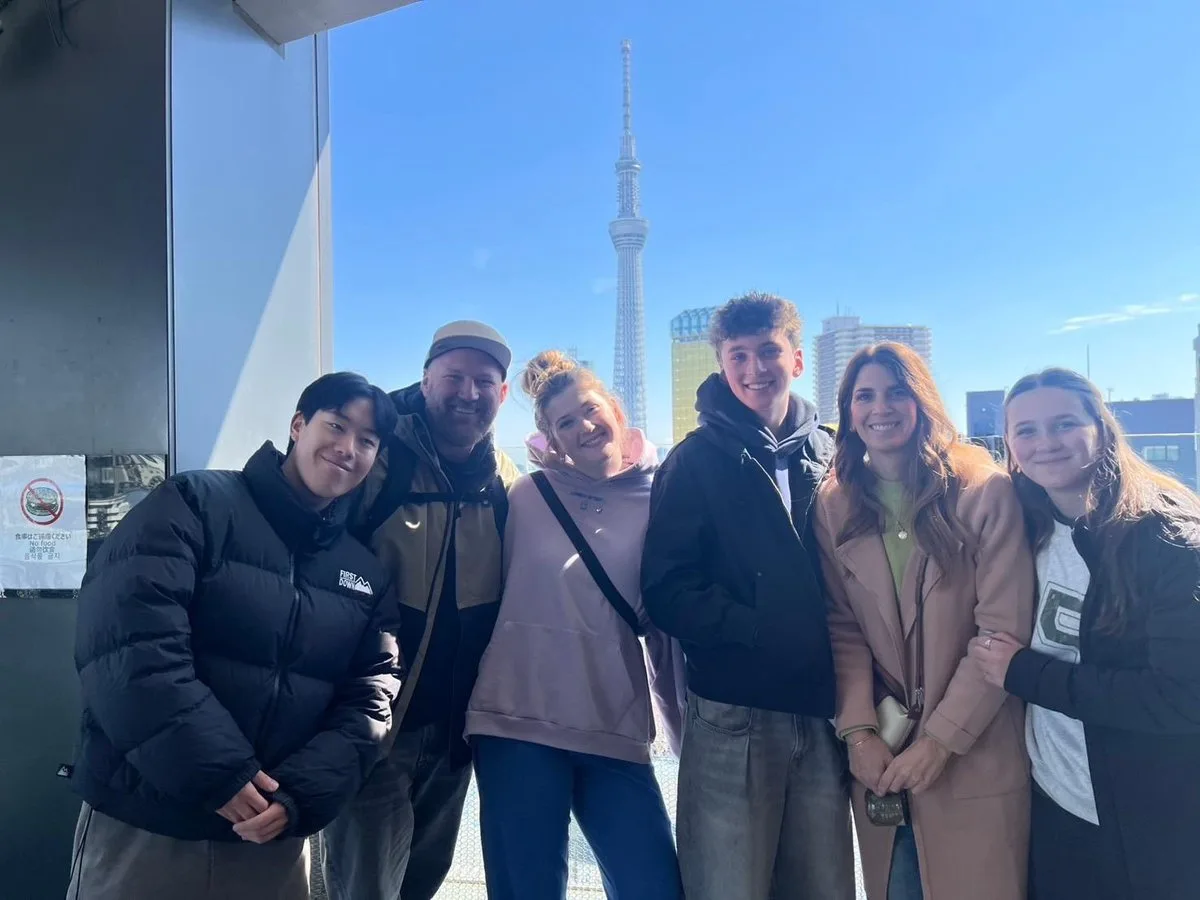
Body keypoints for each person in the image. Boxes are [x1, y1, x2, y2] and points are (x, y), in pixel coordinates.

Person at [66, 372, 403, 900]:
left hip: (267, 840)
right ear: (298, 425)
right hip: (149, 822)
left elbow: (370, 700)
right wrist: (218, 774)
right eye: (336, 425)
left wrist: (297, 797)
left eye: (367, 441)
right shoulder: (194, 503)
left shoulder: (365, 573)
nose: (348, 448)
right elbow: (130, 647)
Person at [641, 292, 855, 899]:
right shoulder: (694, 462)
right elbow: (666, 591)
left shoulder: (834, 454)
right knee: (725, 882)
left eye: (768, 351)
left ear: (797, 359)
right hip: (733, 710)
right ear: (722, 363)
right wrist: (759, 626)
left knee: (822, 882)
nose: (755, 368)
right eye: (739, 355)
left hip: (823, 708)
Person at [969, 367, 1200, 900]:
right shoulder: (1025, 530)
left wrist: (1027, 674)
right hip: (1057, 806)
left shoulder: (1167, 539)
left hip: (1149, 824)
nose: (1044, 443)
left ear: (1101, 428)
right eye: (1025, 430)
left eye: (1064, 423)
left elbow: (1183, 697)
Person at [814, 343, 1034, 900]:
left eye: (896, 392)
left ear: (923, 402)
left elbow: (1001, 631)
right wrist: (860, 732)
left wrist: (939, 742)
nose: (879, 408)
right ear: (848, 410)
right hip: (883, 758)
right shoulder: (834, 504)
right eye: (864, 395)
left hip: (976, 747)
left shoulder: (983, 491)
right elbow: (842, 628)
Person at [466, 351, 686, 900]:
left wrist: (685, 732)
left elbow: (664, 629)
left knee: (654, 885)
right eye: (566, 422)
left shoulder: (663, 497)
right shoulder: (525, 496)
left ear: (615, 407)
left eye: (590, 410)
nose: (585, 427)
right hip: (514, 720)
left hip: (613, 720)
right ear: (550, 438)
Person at [322, 320, 520, 900]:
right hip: (376, 722)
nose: (467, 393)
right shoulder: (377, 459)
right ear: (426, 379)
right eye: (453, 377)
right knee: (364, 885)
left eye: (483, 381)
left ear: (502, 395)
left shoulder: (503, 478)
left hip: (455, 728)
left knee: (421, 881)